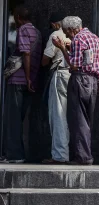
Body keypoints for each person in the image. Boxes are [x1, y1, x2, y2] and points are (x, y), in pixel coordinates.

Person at [52, 16, 99, 165]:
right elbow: (92, 61)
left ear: (71, 29)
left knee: (78, 119)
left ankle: (83, 157)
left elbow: (74, 65)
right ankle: (86, 154)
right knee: (87, 120)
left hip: (80, 79)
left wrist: (62, 47)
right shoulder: (95, 38)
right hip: (93, 81)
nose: (67, 35)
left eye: (66, 32)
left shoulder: (78, 39)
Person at [1, 5, 42, 163]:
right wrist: (32, 78)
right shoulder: (37, 32)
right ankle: (16, 153)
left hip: (18, 80)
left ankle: (15, 155)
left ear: (18, 17)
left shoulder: (23, 30)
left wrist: (27, 77)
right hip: (30, 82)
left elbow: (26, 54)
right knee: (20, 118)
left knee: (13, 119)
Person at [41, 12, 72, 164]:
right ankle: (75, 154)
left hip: (60, 74)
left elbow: (46, 59)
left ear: (54, 24)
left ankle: (60, 155)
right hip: (76, 76)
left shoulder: (56, 34)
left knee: (58, 115)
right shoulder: (79, 35)